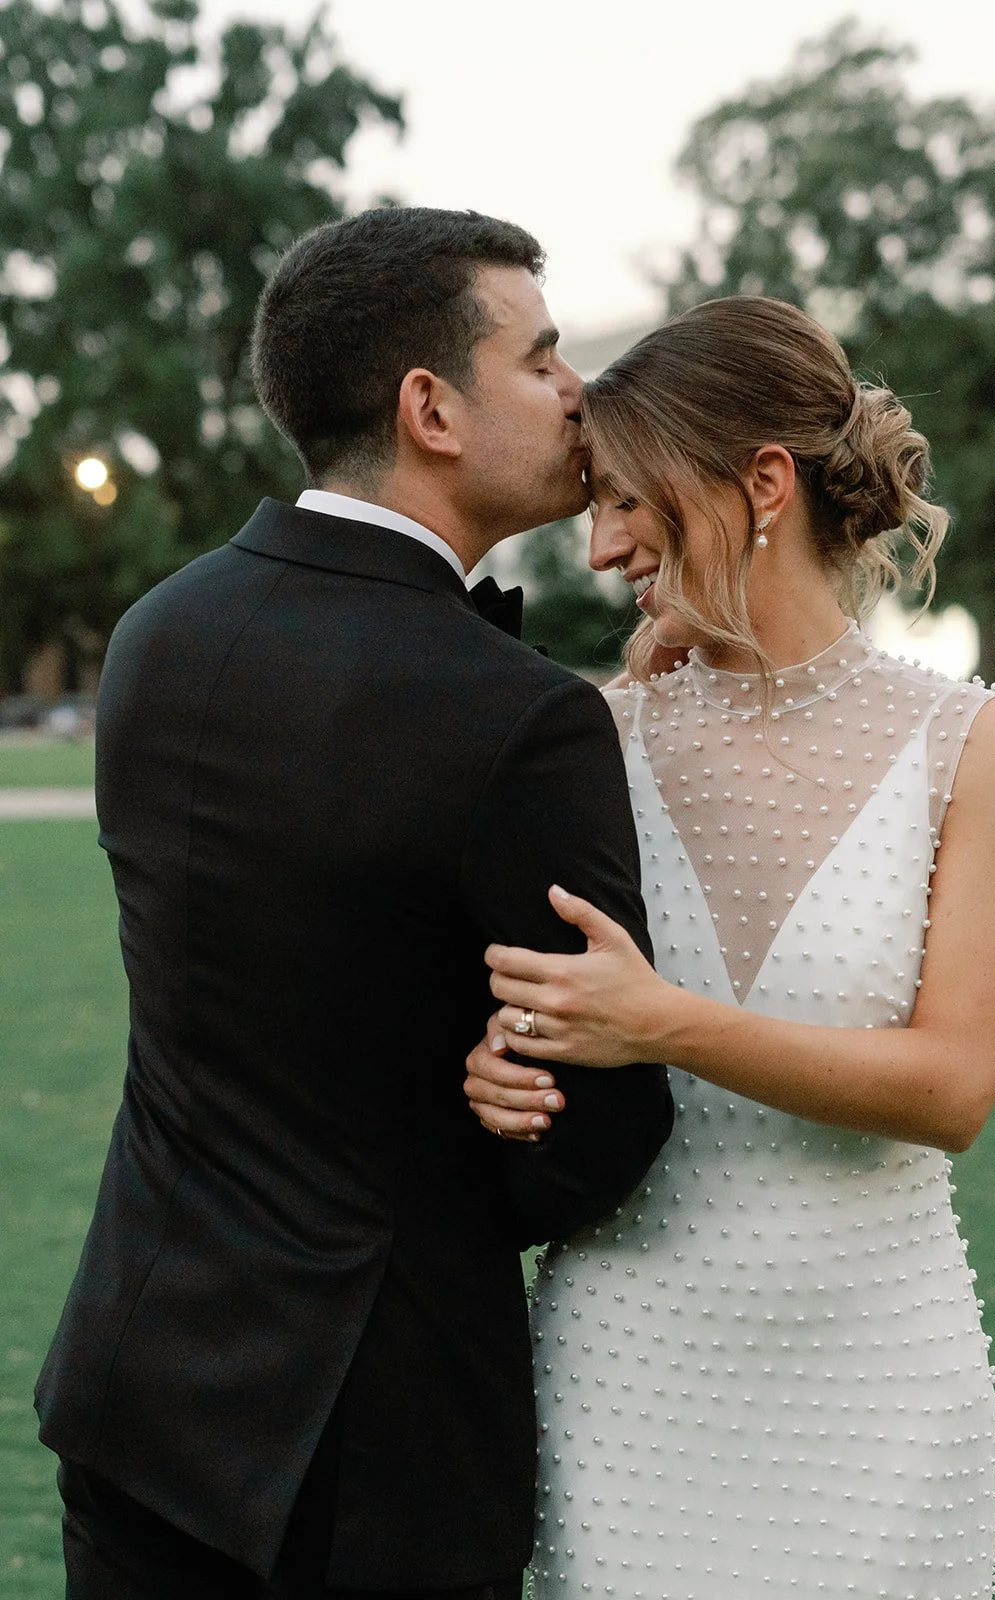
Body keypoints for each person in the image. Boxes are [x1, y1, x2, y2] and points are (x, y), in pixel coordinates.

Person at [34, 207, 674, 1600]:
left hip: (135, 1382)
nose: (579, 393)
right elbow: (602, 1125)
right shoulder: (520, 717)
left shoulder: (157, 634)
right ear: (429, 407)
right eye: (545, 358)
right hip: (376, 1437)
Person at [464, 295, 995, 1597]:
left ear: (762, 483)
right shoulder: (587, 740)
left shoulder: (971, 749)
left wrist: (662, 1023)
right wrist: (496, 1082)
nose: (604, 546)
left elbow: (950, 1090)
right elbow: (515, 1025)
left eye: (626, 501)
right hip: (625, 1377)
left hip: (875, 1387)